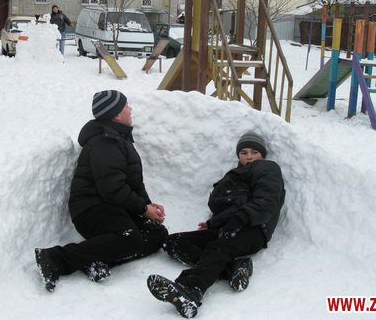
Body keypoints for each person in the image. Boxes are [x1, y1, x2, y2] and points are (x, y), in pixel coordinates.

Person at [35, 90, 168, 292]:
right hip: (91, 209)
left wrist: (147, 205)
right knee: (130, 238)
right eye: (126, 106)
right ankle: (55, 258)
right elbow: (112, 188)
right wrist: (142, 209)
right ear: (116, 115)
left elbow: (133, 182)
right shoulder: (104, 142)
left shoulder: (119, 138)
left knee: (157, 233)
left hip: (112, 206)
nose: (130, 109)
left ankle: (93, 260)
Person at [147, 132, 285, 319]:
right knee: (173, 242)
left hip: (253, 227)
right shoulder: (233, 176)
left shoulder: (267, 168)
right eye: (244, 152)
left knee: (218, 248)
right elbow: (229, 204)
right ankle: (234, 268)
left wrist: (241, 219)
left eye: (254, 152)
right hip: (226, 226)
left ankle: (191, 290)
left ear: (263, 155)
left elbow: (267, 201)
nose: (249, 157)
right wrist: (213, 223)